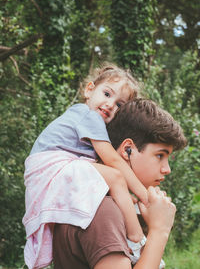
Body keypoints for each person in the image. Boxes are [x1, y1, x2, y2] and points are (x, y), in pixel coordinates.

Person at [22, 64, 149, 269]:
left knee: (110, 184)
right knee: (115, 177)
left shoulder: (84, 118)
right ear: (89, 90)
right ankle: (137, 240)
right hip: (51, 164)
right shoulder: (87, 115)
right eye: (106, 93)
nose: (109, 104)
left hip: (46, 169)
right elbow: (113, 161)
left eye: (119, 105)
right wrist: (144, 195)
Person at [53, 98, 187, 269]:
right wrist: (160, 231)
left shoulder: (102, 201)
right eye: (160, 155)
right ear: (127, 150)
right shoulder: (102, 210)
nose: (167, 169)